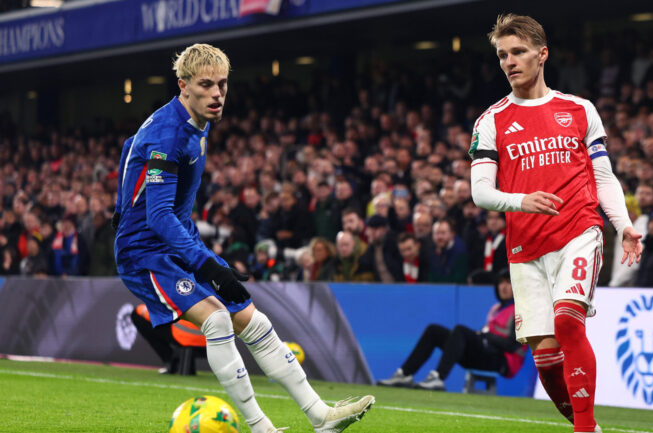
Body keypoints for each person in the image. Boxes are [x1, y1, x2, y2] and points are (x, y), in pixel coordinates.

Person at [113, 44, 373, 433]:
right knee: (217, 320)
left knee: (252, 321)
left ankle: (321, 417)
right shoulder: (168, 135)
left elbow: (128, 150)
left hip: (176, 239)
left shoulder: (194, 125)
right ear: (183, 86)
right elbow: (158, 215)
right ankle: (260, 428)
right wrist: (205, 262)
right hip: (144, 250)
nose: (217, 94)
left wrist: (203, 256)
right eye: (206, 85)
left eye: (222, 84)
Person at [469, 15, 642, 433]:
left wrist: (624, 224)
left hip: (578, 232)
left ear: (541, 54)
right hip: (526, 248)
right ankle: (591, 427)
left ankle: (583, 430)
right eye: (502, 55)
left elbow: (602, 176)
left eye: (518, 52)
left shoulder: (579, 110)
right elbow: (480, 192)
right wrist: (521, 200)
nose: (510, 62)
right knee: (546, 359)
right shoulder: (491, 120)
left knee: (568, 321)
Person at [377, 273, 526, 390]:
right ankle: (405, 374)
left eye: (508, 282)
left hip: (503, 362)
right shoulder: (496, 309)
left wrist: (485, 335)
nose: (503, 286)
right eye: (501, 282)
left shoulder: (521, 310)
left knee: (460, 330)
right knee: (434, 331)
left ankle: (438, 378)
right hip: (486, 353)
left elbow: (513, 345)